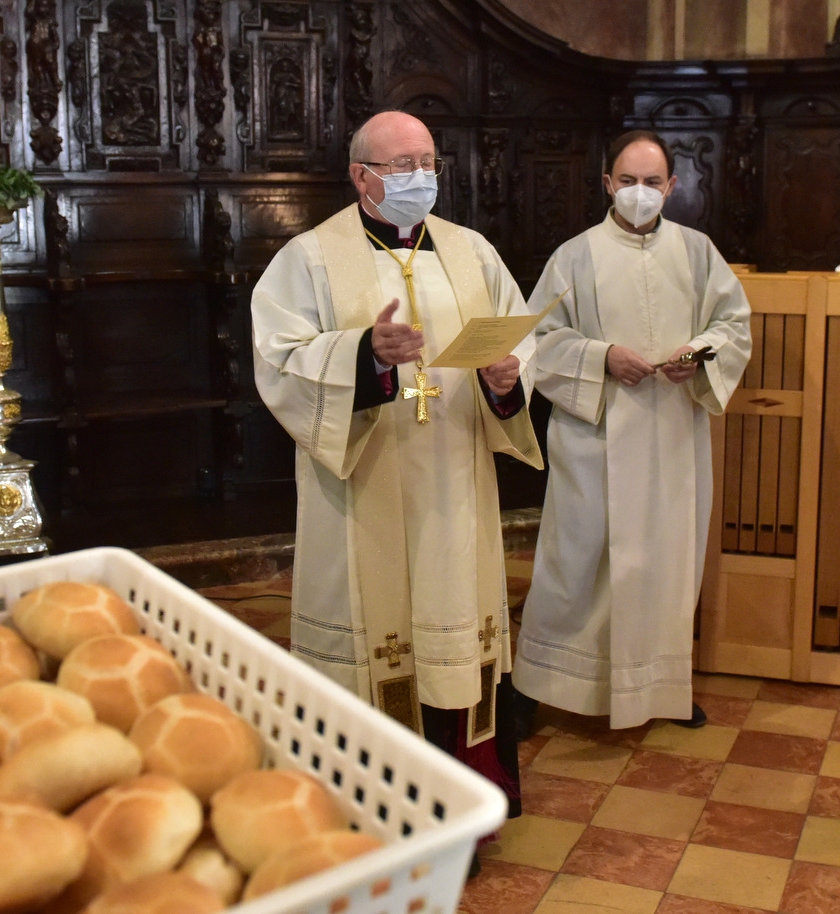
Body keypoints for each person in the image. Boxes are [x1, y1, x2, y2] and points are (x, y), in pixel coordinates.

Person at [251, 110, 543, 830]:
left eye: (428, 162)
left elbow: (515, 340)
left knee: (452, 624)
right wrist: (363, 356)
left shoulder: (473, 252)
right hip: (364, 483)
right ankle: (368, 802)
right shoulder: (310, 258)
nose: (421, 177)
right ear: (360, 176)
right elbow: (278, 358)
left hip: (454, 481)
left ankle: (465, 793)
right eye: (401, 165)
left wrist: (508, 379)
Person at [512, 129, 752, 734]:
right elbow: (538, 339)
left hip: (671, 434)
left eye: (651, 182)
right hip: (595, 432)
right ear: (607, 184)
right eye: (627, 181)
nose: (639, 193)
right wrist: (600, 357)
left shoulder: (698, 252)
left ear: (671, 187)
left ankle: (660, 686)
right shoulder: (574, 255)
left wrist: (696, 355)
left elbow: (733, 326)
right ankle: (539, 686)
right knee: (577, 562)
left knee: (664, 566)